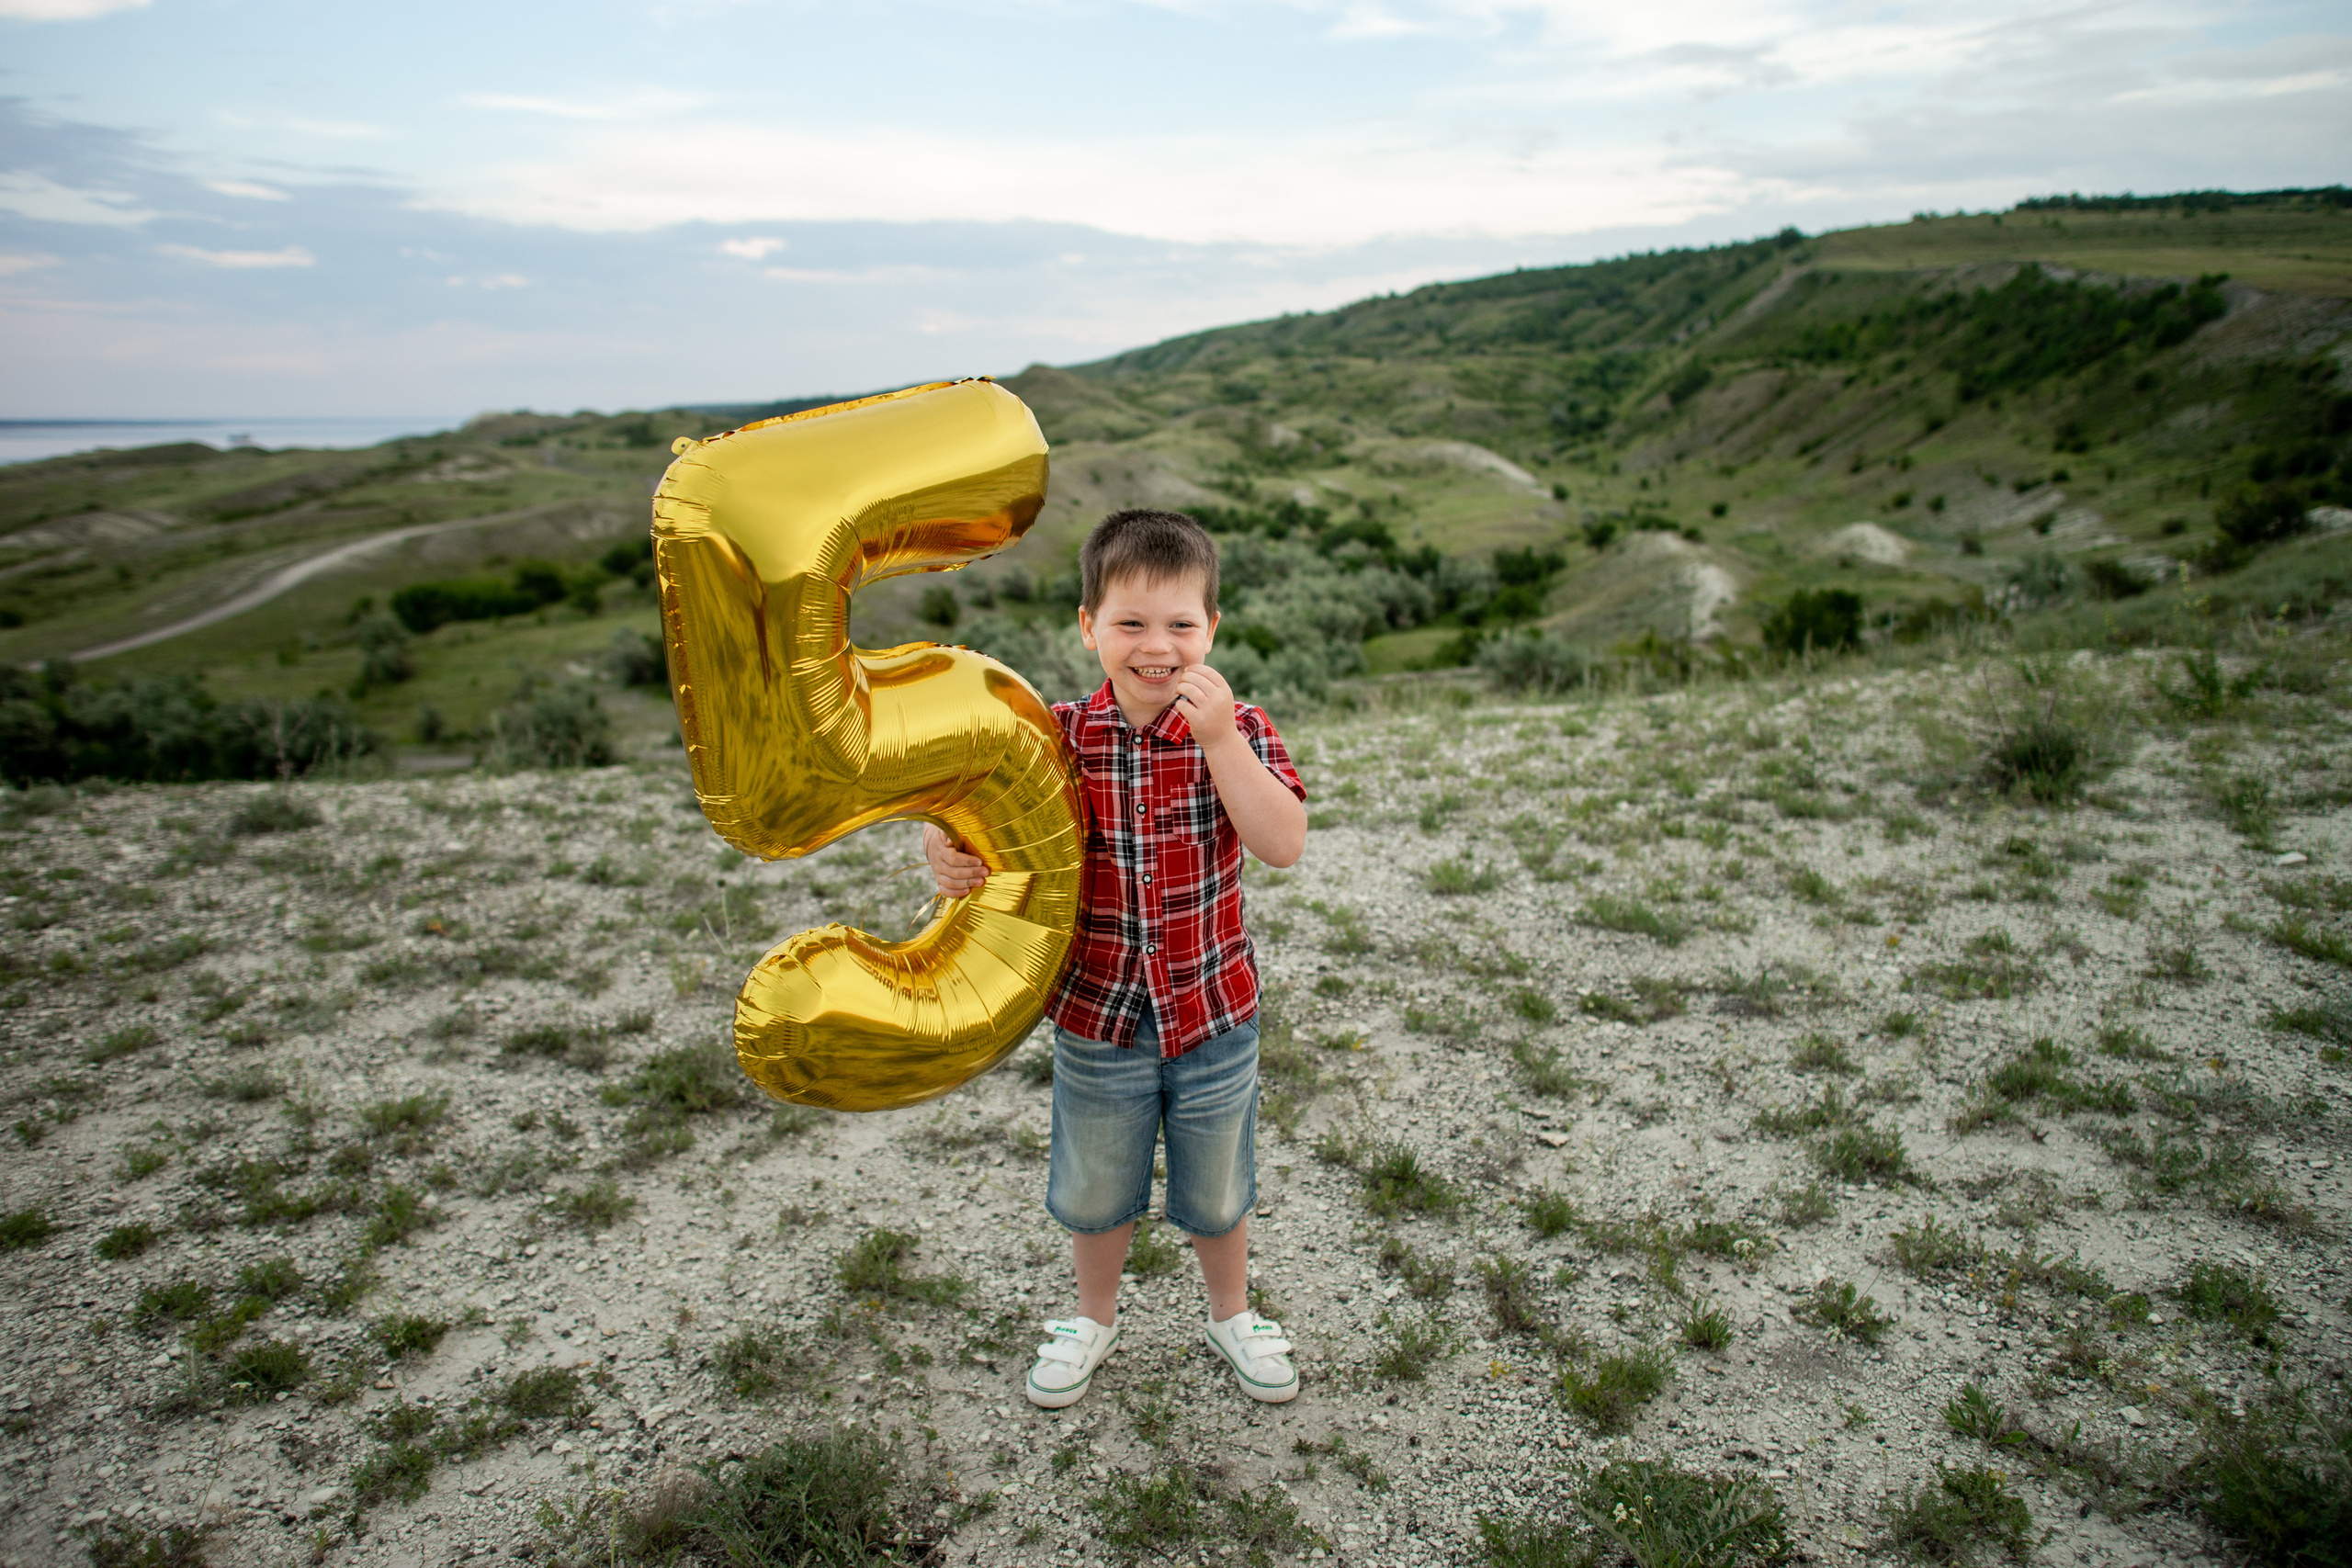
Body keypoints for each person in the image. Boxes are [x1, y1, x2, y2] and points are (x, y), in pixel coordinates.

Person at [923, 507, 1309, 1409]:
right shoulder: (1053, 736)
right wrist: (946, 857)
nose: (1156, 647)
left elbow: (1283, 842)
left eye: (1180, 624)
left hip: (1212, 1013)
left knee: (1217, 1189)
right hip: (1098, 1016)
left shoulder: (1240, 727)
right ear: (1088, 626)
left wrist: (1217, 744)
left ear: (1212, 630)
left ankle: (1230, 1314)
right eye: (1130, 623)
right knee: (1095, 1189)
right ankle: (1093, 1319)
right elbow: (979, 836)